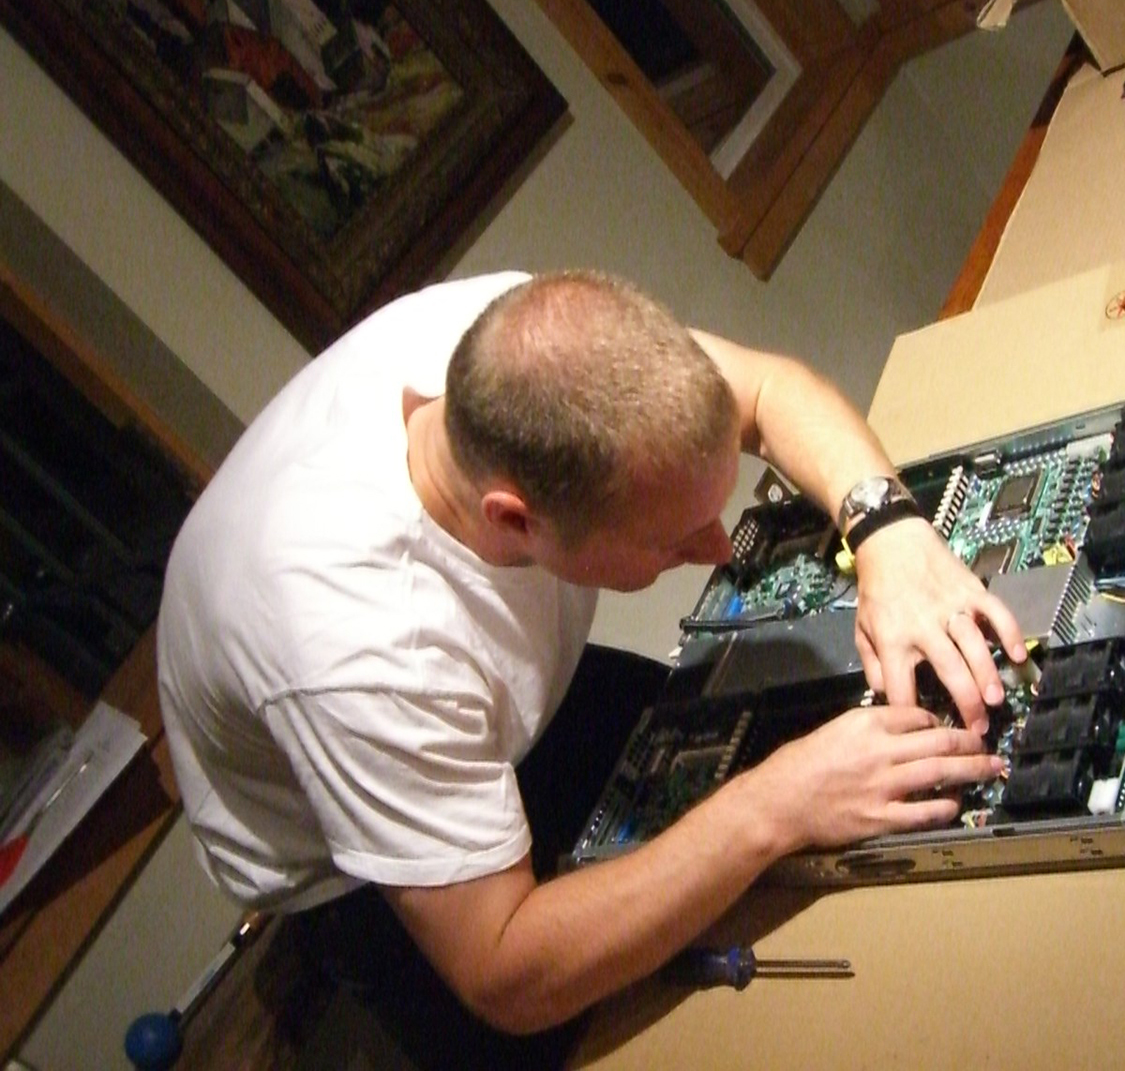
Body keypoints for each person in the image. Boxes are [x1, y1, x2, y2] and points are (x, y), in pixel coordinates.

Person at [157, 269, 1024, 1060]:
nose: (719, 545)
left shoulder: (520, 343)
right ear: (516, 520)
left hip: (493, 696)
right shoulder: (366, 653)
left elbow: (763, 388)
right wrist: (776, 805)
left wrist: (889, 532)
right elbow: (505, 970)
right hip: (342, 862)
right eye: (671, 539)